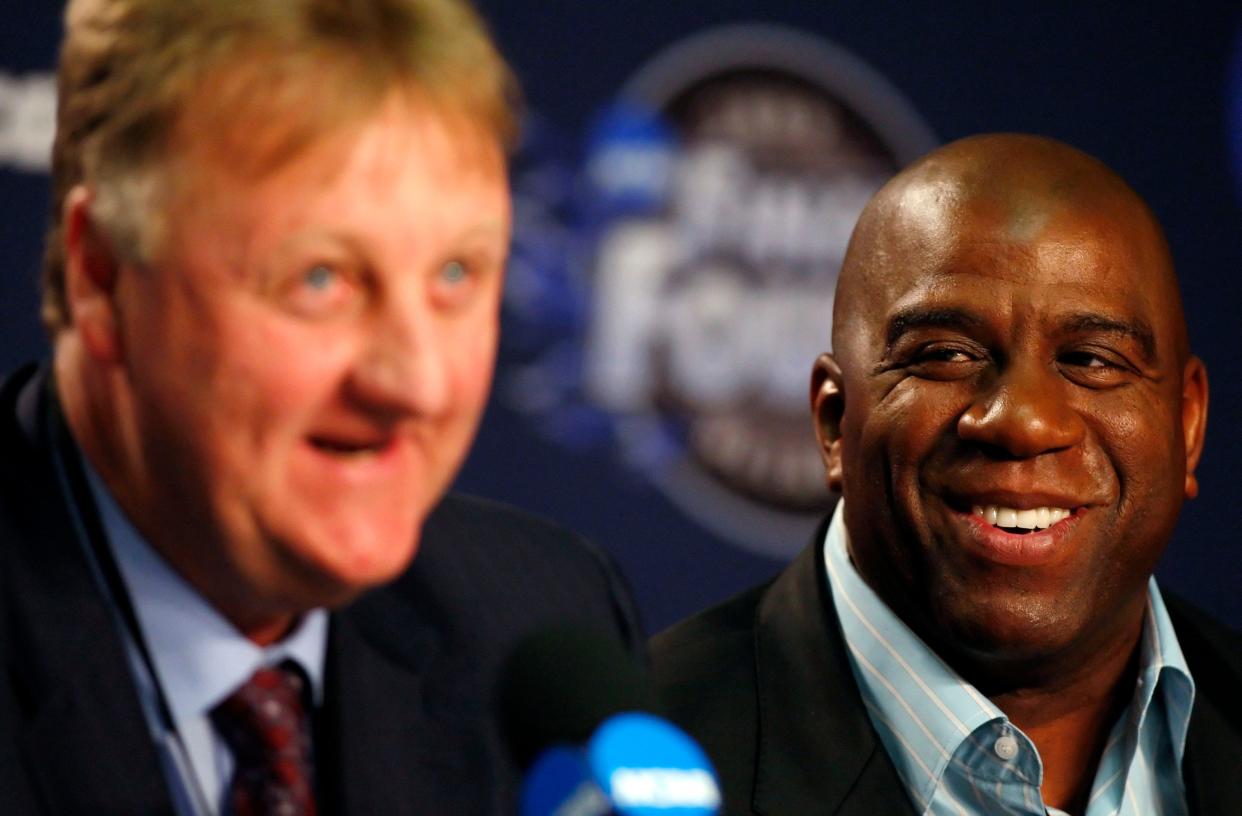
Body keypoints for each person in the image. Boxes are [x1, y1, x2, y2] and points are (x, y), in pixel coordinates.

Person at [0, 1, 642, 813]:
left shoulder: (540, 624)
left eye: (456, 276)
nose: (418, 384)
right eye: (320, 280)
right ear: (103, 275)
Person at [651, 134, 1242, 815]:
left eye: (1092, 359)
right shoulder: (647, 765)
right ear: (832, 424)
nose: (1023, 422)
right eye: (946, 354)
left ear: (1188, 426)